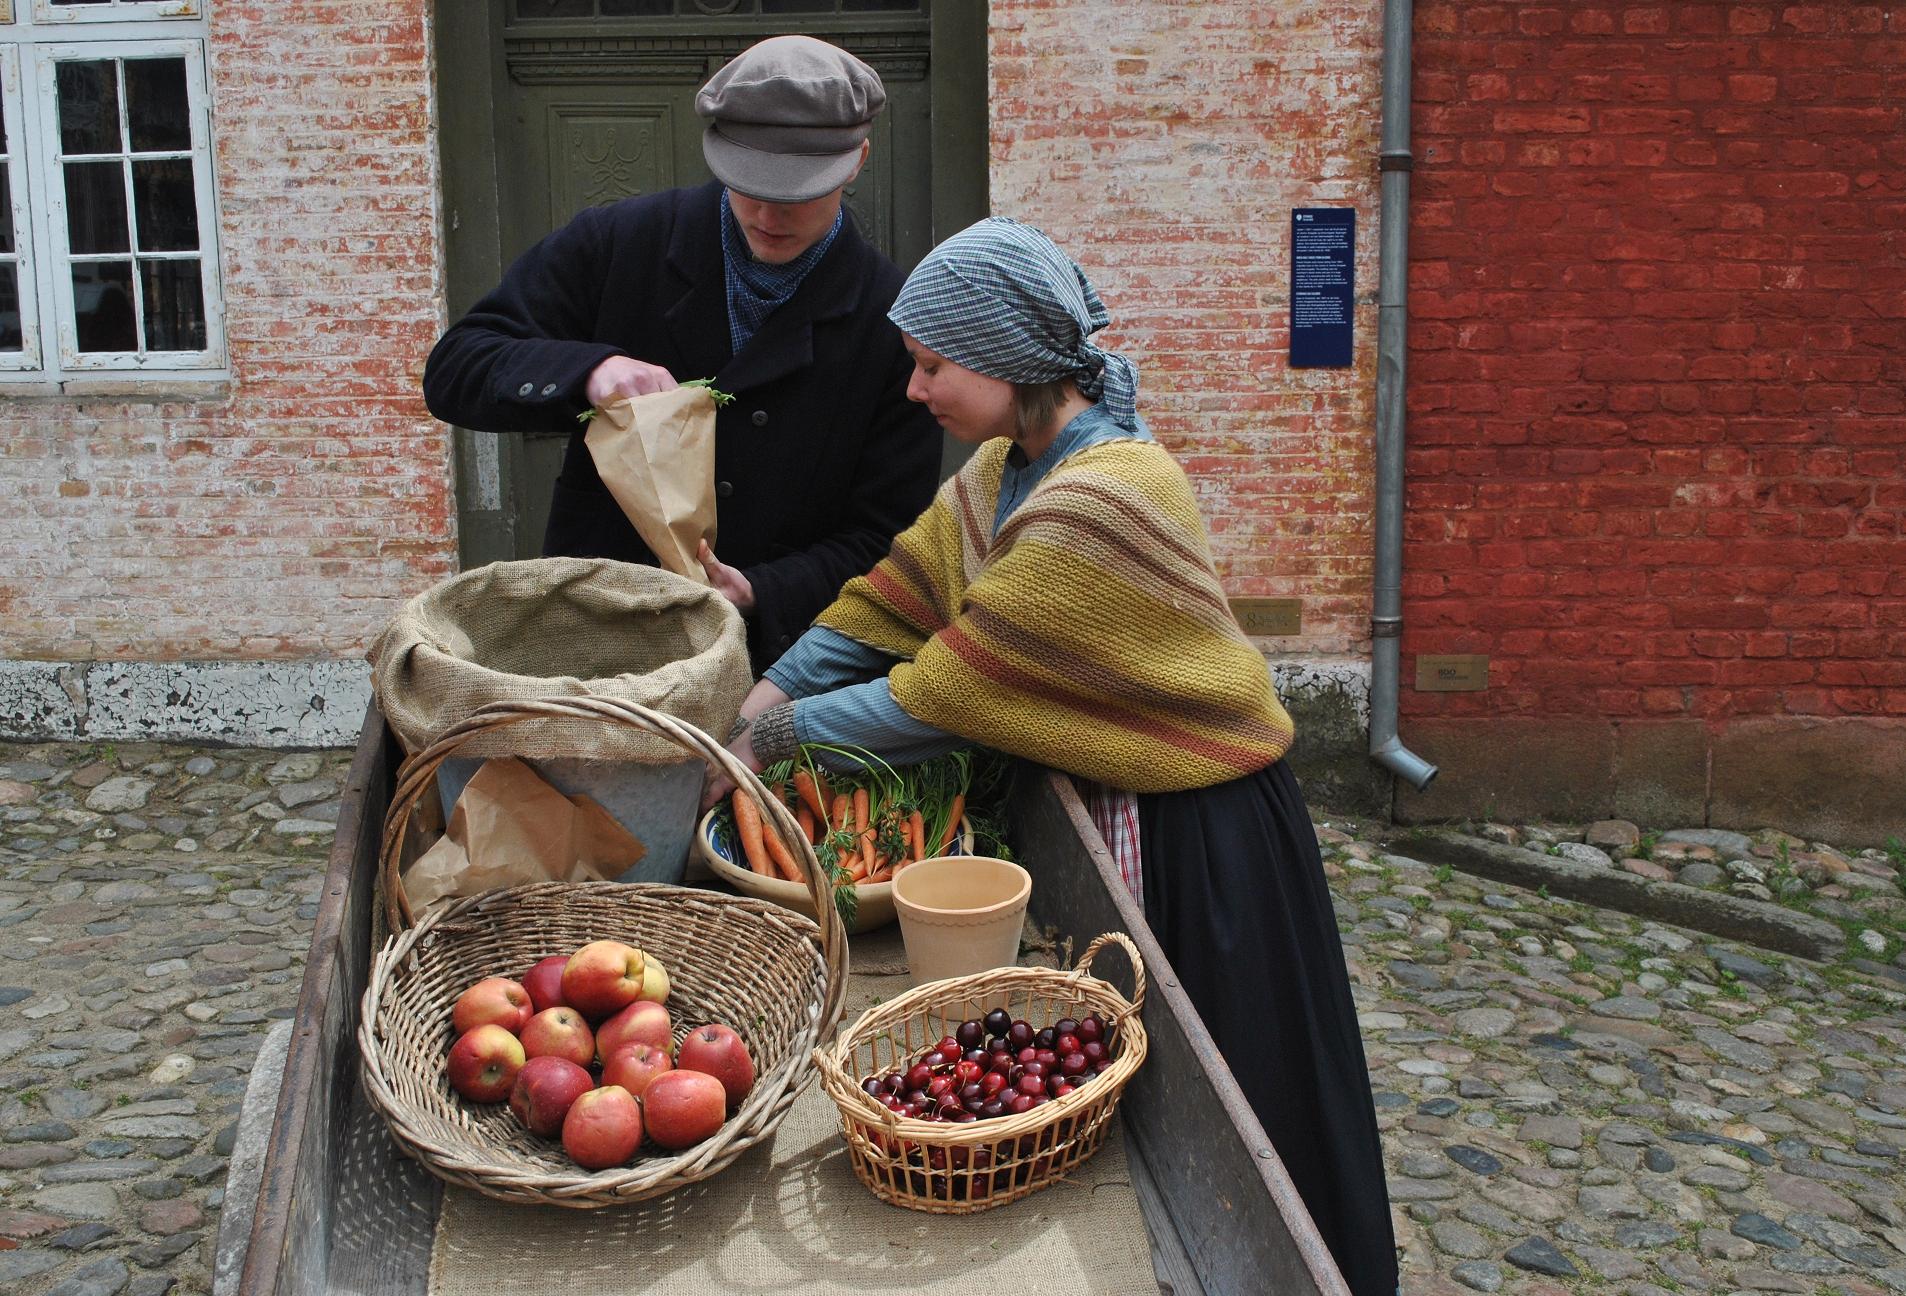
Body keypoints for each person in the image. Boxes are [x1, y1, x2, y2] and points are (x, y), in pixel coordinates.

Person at [712, 218, 1399, 1296]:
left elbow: (942, 694)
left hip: (1199, 827)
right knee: (1143, 1083)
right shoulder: (997, 475)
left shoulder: (1103, 494)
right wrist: (758, 697)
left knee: (1229, 1097)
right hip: (1117, 802)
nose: (913, 390)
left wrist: (773, 737)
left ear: (1007, 361)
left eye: (932, 365)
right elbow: (879, 608)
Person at [422, 35, 941, 668]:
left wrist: (762, 591)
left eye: (800, 190)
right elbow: (456, 368)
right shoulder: (618, 243)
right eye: (748, 183)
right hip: (593, 628)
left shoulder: (894, 319)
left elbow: (887, 536)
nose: (769, 213)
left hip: (773, 662)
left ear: (857, 161)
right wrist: (589, 371)